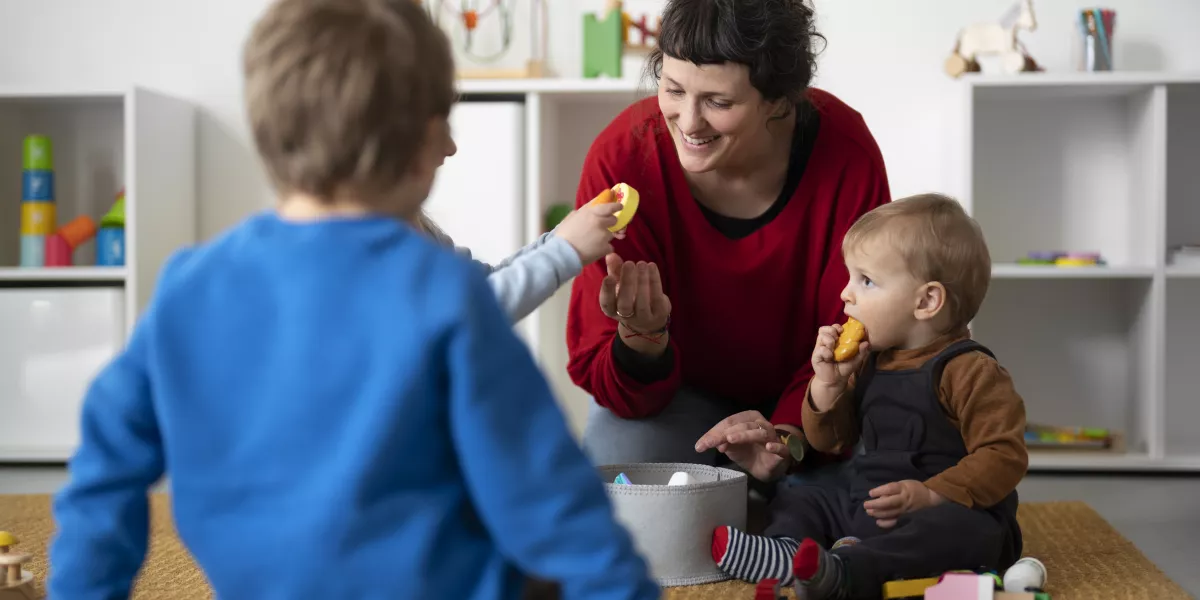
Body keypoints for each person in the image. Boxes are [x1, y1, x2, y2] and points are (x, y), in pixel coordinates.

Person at [47, 1, 661, 599]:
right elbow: (550, 495)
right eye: (443, 126)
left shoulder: (189, 286)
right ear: (420, 144)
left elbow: (104, 476)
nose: (450, 149)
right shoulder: (446, 298)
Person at [566, 0, 891, 478]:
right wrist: (642, 340)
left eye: (718, 102)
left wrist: (789, 436)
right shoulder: (621, 159)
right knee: (620, 497)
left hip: (818, 397)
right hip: (676, 400)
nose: (689, 121)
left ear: (779, 100)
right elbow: (606, 371)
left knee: (891, 484)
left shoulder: (846, 155)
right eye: (673, 90)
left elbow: (858, 328)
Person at [705, 194, 1028, 600]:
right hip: (869, 500)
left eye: (866, 281)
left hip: (939, 508)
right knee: (803, 488)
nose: (846, 294)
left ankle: (846, 572)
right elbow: (830, 441)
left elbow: (1004, 454)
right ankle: (790, 549)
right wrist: (827, 385)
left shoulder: (970, 370)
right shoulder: (870, 360)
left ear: (926, 301)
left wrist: (931, 495)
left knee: (964, 531)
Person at [416, 205, 623, 323]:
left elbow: (483, 285)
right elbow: (468, 312)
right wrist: (567, 249)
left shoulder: (418, 225)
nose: (450, 149)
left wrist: (562, 236)